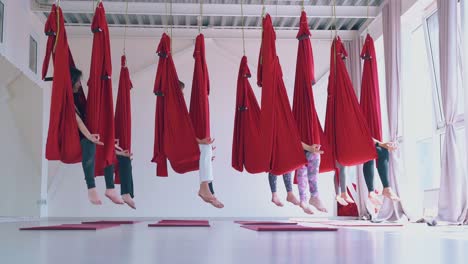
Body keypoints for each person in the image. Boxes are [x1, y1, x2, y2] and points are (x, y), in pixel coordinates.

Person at [71, 67, 130, 206]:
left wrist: (116, 150)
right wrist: (89, 136)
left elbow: (102, 135)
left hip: (88, 135)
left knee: (121, 157)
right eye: (78, 81)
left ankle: (114, 189)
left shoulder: (78, 100)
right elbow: (77, 120)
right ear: (72, 81)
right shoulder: (67, 100)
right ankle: (91, 188)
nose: (80, 84)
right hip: (75, 139)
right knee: (90, 143)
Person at [179, 81, 224, 209]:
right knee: (205, 148)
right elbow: (179, 133)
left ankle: (210, 191)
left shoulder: (179, 109)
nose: (182, 95)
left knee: (207, 149)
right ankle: (205, 189)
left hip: (185, 142)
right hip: (177, 145)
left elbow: (186, 130)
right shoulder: (174, 110)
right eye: (180, 92)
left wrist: (200, 142)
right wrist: (199, 141)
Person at [296, 143, 328, 214]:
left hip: (306, 144)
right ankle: (311, 197)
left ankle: (305, 199)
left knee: (302, 168)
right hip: (302, 144)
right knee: (304, 167)